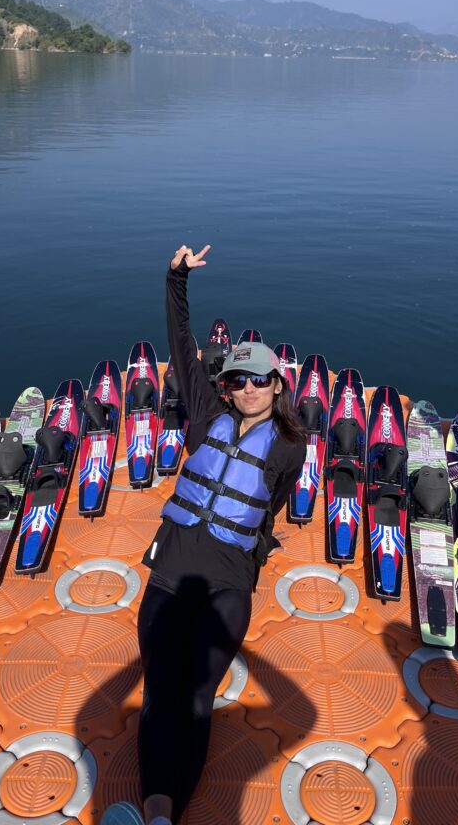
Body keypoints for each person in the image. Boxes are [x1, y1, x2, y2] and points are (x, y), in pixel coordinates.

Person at [102, 244, 306, 825]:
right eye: (237, 380)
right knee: (159, 694)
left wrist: (252, 553)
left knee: (195, 698)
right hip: (171, 571)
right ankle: (158, 810)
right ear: (226, 385)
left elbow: (272, 508)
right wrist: (176, 279)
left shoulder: (291, 447)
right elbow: (179, 340)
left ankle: (163, 811)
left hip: (228, 585)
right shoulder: (202, 413)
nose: (246, 389)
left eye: (258, 380)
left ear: (277, 385)